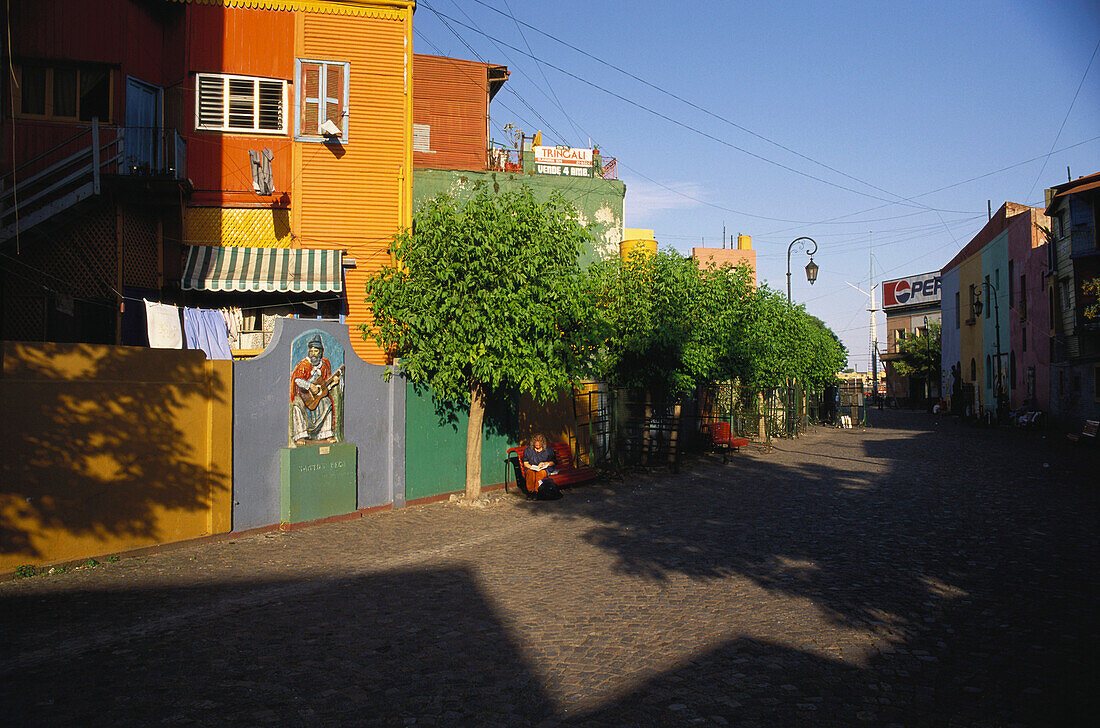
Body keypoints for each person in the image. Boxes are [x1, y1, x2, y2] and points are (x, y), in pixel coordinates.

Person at [290, 335, 342, 446]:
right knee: (297, 405)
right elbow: (297, 380)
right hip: (304, 395)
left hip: (317, 398)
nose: (313, 353)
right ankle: (300, 435)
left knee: (327, 403)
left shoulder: (324, 365)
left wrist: (333, 382)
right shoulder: (304, 365)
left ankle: (326, 434)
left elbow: (323, 387)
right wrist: (309, 386)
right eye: (311, 351)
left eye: (316, 351)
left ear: (321, 352)